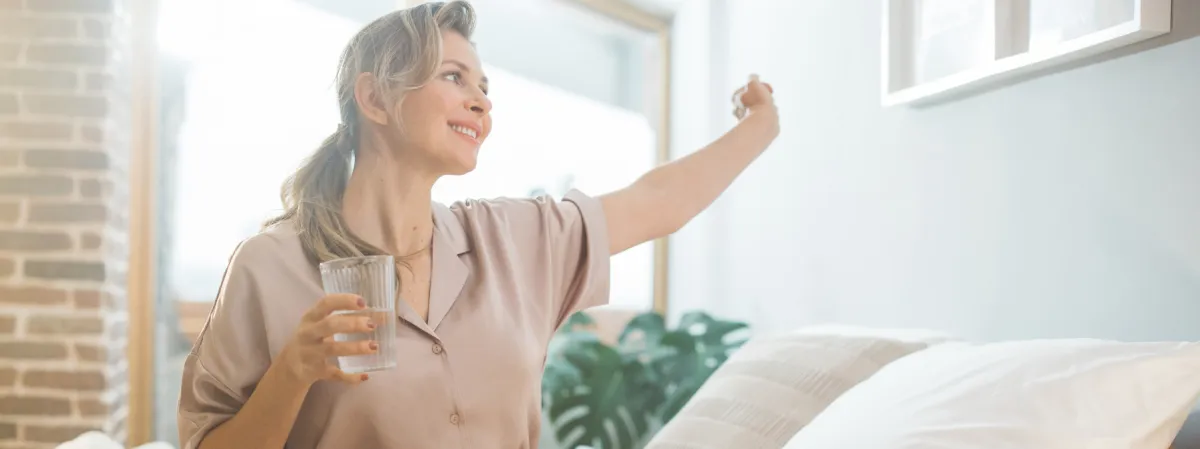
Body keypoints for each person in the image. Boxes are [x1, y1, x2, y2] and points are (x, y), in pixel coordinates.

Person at [176, 1, 779, 448]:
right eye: (454, 78)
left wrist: (759, 127)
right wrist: (294, 372)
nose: (482, 101)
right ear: (376, 99)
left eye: (484, 87)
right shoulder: (268, 267)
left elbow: (656, 200)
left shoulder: (515, 242)